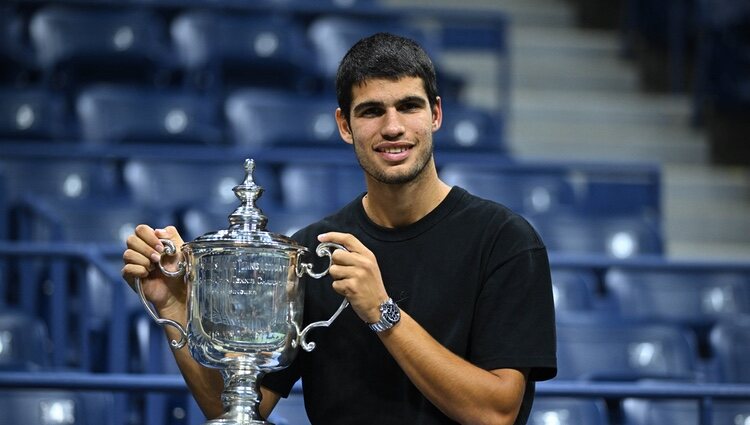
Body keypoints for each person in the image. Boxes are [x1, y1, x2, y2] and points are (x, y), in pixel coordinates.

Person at [122, 32, 556, 424]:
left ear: (436, 114)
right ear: (345, 126)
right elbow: (233, 409)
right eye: (372, 111)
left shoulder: (506, 240)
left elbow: (496, 413)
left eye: (409, 105)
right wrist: (175, 307)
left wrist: (383, 313)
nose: (393, 127)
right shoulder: (310, 252)